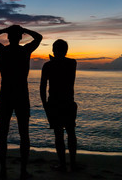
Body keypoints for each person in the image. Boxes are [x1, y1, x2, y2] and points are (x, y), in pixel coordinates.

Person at [0, 25, 42, 179]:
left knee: (3, 133)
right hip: (21, 94)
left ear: (8, 37)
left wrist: (6, 29)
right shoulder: (24, 51)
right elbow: (38, 37)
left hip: (6, 93)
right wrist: (24, 29)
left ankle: (4, 169)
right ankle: (23, 171)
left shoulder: (3, 51)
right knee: (24, 134)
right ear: (20, 37)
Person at [40, 39, 77, 172]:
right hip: (67, 103)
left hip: (55, 104)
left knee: (59, 135)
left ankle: (63, 164)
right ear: (66, 51)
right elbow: (43, 87)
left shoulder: (49, 65)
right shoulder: (71, 63)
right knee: (70, 133)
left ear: (53, 51)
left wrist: (45, 106)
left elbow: (42, 88)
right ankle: (71, 164)